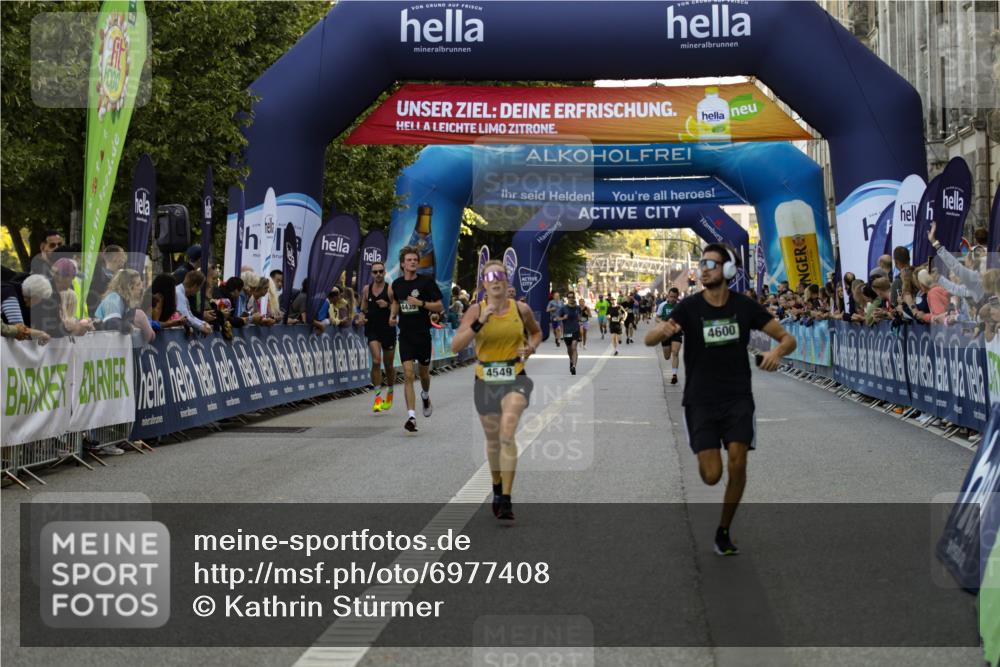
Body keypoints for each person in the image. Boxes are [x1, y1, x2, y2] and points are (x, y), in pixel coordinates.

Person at [645, 243, 796, 556]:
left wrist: (776, 352)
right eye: (702, 264)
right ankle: (708, 464)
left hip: (738, 397)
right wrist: (663, 330)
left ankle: (724, 530)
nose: (704, 269)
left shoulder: (744, 306)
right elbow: (649, 339)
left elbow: (787, 338)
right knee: (712, 475)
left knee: (738, 461)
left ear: (728, 270)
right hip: (700, 400)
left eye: (711, 264)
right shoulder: (688, 308)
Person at [451, 259, 542, 521]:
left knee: (506, 434)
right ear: (484, 284)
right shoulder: (474, 310)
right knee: (492, 441)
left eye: (500, 276)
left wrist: (531, 347)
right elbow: (456, 346)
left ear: (506, 281)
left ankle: (506, 500)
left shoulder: (521, 308)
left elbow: (537, 333)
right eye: (490, 277)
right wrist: (479, 321)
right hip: (485, 378)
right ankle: (496, 485)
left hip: (515, 375)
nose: (496, 281)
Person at [390, 245, 444, 433]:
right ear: (403, 264)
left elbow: (439, 306)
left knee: (423, 374)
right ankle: (411, 417)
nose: (413, 262)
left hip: (422, 335)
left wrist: (420, 303)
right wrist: (392, 316)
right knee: (408, 374)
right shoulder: (397, 284)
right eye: (409, 260)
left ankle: (425, 394)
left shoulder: (426, 283)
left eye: (415, 260)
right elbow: (396, 301)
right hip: (405, 335)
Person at [359, 261, 397, 413]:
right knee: (376, 361)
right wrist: (361, 317)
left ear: (384, 272)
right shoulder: (367, 289)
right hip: (372, 329)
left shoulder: (390, 289)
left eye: (381, 271)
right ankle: (377, 397)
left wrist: (387, 306)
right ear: (371, 273)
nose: (378, 274)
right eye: (375, 272)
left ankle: (391, 391)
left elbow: (397, 307)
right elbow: (363, 309)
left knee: (388, 365)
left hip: (388, 330)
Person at [87, 245, 127, 314]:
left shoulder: (119, 278)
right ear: (115, 258)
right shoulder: (96, 278)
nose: (124, 259)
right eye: (122, 256)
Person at [656, 287, 683, 384]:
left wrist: (679, 327)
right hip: (666, 333)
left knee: (675, 352)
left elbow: (684, 319)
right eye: (671, 296)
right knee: (667, 356)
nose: (673, 299)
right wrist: (663, 323)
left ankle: (674, 375)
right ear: (668, 296)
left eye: (675, 297)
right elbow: (657, 318)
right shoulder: (662, 305)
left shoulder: (680, 306)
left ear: (677, 297)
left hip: (676, 332)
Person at [557, 292, 582, 375]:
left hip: (575, 330)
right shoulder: (563, 308)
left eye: (572, 297)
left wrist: (580, 320)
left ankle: (574, 366)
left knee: (574, 347)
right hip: (567, 331)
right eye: (570, 297)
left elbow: (580, 318)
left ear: (574, 298)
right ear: (567, 298)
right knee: (569, 349)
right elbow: (556, 318)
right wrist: (563, 317)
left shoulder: (578, 308)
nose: (571, 298)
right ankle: (571, 360)